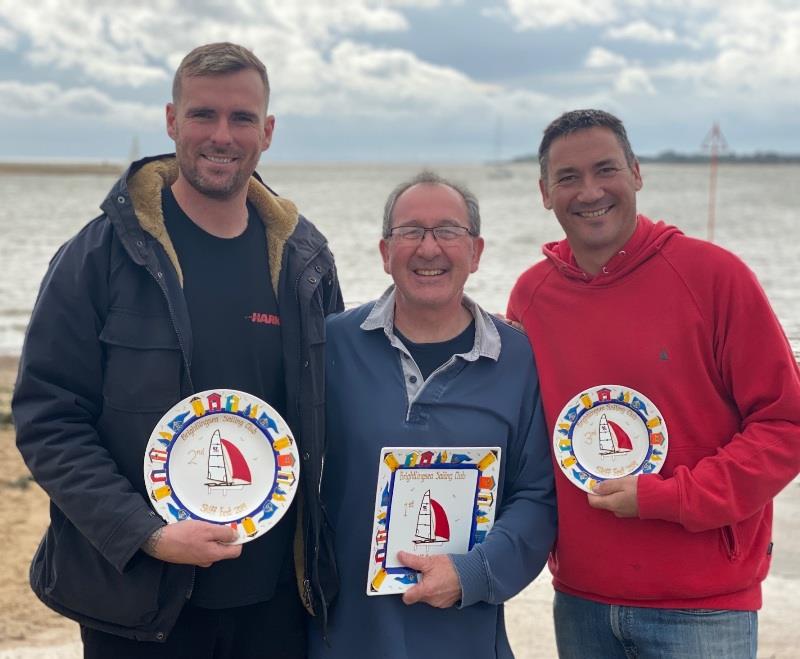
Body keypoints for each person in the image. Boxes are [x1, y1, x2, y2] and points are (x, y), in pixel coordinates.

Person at [12, 42, 342, 658]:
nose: (222, 135)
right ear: (172, 121)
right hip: (139, 602)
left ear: (267, 132)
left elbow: (335, 407)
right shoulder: (100, 255)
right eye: (203, 114)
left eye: (242, 118)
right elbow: (48, 419)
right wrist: (147, 534)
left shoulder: (305, 261)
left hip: (276, 601)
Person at [507, 108, 800, 658]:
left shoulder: (715, 276)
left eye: (605, 169)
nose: (590, 191)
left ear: (637, 173)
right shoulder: (531, 295)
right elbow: (524, 435)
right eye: (568, 177)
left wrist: (671, 497)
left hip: (704, 604)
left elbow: (785, 424)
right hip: (580, 598)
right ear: (545, 192)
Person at [308, 171, 557, 658]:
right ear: (384, 253)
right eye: (410, 232)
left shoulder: (519, 359)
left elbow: (538, 497)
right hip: (344, 634)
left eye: (447, 231)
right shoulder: (328, 345)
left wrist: (471, 573)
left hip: (465, 633)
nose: (428, 249)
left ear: (476, 252)